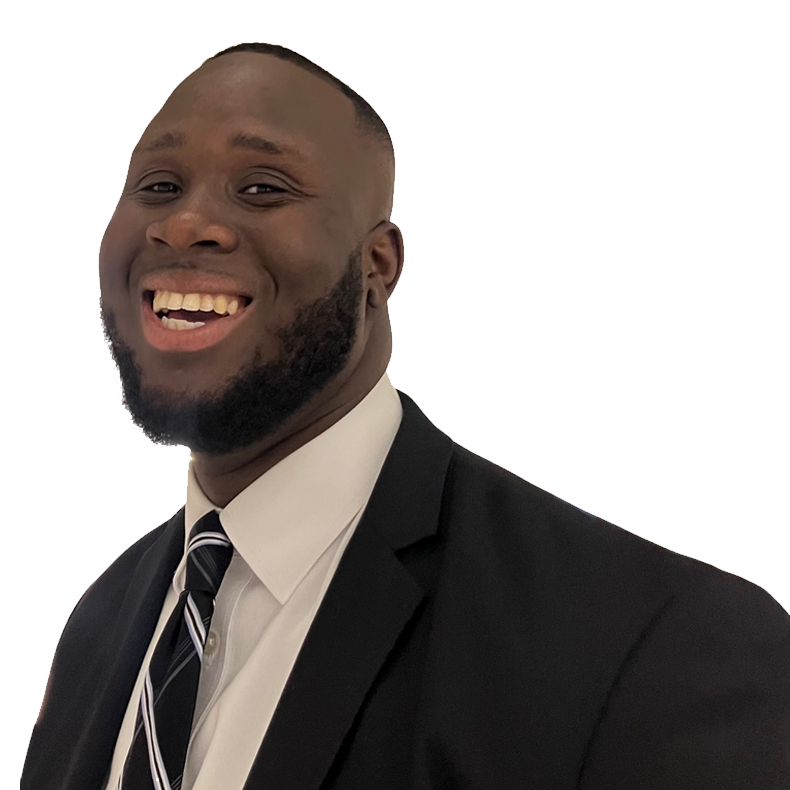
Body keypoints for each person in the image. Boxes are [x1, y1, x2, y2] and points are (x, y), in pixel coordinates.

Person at [22, 43, 790, 789]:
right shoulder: (97, 629)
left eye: (262, 187)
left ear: (377, 267)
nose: (185, 224)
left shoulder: (659, 643)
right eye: (157, 186)